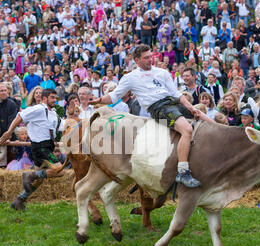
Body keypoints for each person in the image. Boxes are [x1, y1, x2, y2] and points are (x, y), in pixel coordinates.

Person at [90, 44, 212, 188]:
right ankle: (183, 172)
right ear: (137, 60)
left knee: (201, 115)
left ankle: (223, 130)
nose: (150, 60)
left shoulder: (162, 72)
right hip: (158, 107)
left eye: (151, 56)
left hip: (172, 102)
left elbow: (176, 94)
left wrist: (191, 108)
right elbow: (114, 96)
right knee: (187, 130)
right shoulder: (130, 77)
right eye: (146, 58)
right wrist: (100, 100)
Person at [0, 89, 64, 211]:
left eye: (55, 98)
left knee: (39, 180)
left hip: (47, 146)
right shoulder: (39, 109)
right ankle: (30, 174)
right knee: (60, 171)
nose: (55, 100)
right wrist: (9, 132)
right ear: (44, 99)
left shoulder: (53, 113)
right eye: (52, 97)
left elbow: (62, 126)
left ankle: (19, 200)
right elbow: (20, 116)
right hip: (41, 147)